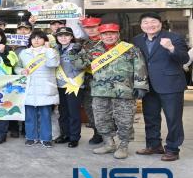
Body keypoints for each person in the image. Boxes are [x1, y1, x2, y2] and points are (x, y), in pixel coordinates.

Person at [71, 23, 148, 159]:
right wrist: (73, 53)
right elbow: (79, 65)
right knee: (101, 119)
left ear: (118, 34)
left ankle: (123, 146)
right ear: (100, 36)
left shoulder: (130, 49)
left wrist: (141, 85)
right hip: (100, 91)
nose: (109, 36)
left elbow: (140, 66)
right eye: (105, 34)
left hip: (124, 91)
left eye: (112, 33)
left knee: (125, 120)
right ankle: (109, 144)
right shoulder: (92, 49)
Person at [133, 12, 189, 161]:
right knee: (150, 117)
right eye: (145, 22)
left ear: (160, 23)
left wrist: (171, 48)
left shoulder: (174, 37)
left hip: (171, 85)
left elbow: (185, 58)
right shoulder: (137, 40)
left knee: (173, 118)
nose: (149, 25)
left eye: (153, 21)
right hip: (148, 85)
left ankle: (172, 149)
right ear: (141, 25)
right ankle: (154, 145)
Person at [15, 30, 60, 148]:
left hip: (45, 87)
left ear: (44, 40)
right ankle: (31, 137)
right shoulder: (24, 53)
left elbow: (53, 64)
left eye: (39, 38)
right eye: (33, 38)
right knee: (30, 114)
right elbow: (17, 66)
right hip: (29, 87)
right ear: (30, 40)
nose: (36, 40)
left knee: (45, 114)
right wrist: (20, 71)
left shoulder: (52, 52)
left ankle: (46, 138)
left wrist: (49, 50)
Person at [54, 27, 86, 148]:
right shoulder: (54, 49)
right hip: (59, 85)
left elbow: (82, 65)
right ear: (57, 38)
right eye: (60, 35)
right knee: (63, 112)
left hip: (74, 85)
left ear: (71, 37)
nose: (63, 38)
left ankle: (74, 137)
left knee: (73, 112)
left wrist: (75, 55)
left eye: (66, 35)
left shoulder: (78, 49)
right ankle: (65, 134)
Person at [79, 16, 103, 144]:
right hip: (89, 79)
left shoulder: (109, 41)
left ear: (99, 27)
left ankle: (108, 134)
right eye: (87, 28)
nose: (91, 30)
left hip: (106, 80)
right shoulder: (85, 43)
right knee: (89, 107)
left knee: (105, 108)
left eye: (93, 27)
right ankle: (97, 132)